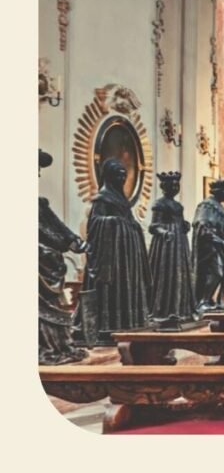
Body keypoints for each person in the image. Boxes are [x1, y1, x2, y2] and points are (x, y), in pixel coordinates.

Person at [75, 158, 152, 341]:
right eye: (118, 175)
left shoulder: (122, 200)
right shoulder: (103, 197)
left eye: (124, 175)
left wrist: (133, 227)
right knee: (111, 289)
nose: (122, 178)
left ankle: (127, 321)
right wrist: (116, 222)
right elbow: (94, 224)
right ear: (109, 176)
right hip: (111, 256)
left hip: (124, 254)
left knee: (125, 285)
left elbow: (129, 220)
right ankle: (108, 324)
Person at [38, 149, 88, 364]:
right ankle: (43, 346)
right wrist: (53, 246)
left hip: (45, 262)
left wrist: (74, 241)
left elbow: (56, 226)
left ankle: (56, 344)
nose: (38, 174)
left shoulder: (39, 204)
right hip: (38, 259)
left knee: (51, 304)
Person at [148, 171, 197, 326]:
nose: (175, 187)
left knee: (180, 274)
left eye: (177, 185)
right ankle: (163, 310)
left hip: (179, 243)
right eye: (172, 185)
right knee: (166, 275)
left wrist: (184, 225)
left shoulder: (178, 206)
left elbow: (180, 221)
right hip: (166, 246)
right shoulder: (159, 204)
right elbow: (153, 226)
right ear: (164, 186)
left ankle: (181, 309)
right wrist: (164, 232)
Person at [192, 179, 224, 312]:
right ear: (218, 191)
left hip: (221, 247)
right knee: (216, 272)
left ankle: (211, 299)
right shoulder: (207, 205)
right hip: (210, 246)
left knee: (221, 274)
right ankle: (202, 301)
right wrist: (221, 241)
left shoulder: (219, 206)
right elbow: (203, 226)